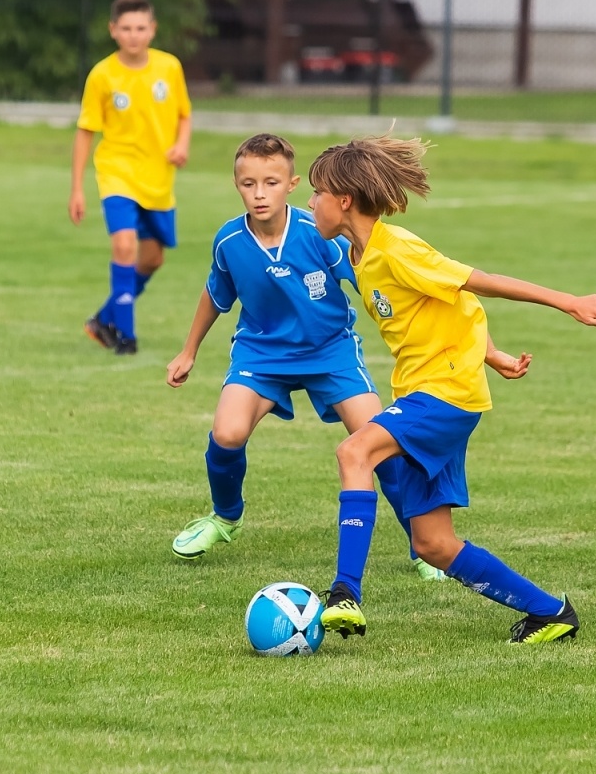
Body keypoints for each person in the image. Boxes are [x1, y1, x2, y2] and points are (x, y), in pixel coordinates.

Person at [308, 135, 596, 643]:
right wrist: (493, 353)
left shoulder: (398, 249)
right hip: (434, 392)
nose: (310, 202)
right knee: (433, 544)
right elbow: (457, 308)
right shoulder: (358, 256)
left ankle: (345, 592)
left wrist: (568, 301)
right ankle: (551, 612)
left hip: (444, 394)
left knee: (354, 451)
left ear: (343, 200)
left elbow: (480, 282)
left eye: (316, 192)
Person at [165, 133, 458, 581]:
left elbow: (372, 281)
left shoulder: (318, 233)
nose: (259, 193)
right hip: (262, 354)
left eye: (270, 182)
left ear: (291, 184)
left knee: (382, 447)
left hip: (331, 352)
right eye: (248, 184)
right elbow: (215, 294)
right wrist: (189, 351)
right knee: (226, 433)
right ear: (236, 184)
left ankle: (422, 547)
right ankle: (225, 518)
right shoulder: (228, 241)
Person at [70, 0, 193, 356]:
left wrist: (181, 145)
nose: (134, 35)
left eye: (141, 28)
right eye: (126, 28)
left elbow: (185, 113)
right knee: (124, 245)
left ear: (152, 30)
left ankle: (103, 319)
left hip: (157, 179)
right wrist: (76, 188)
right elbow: (85, 131)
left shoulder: (169, 67)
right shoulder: (103, 75)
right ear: (113, 30)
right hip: (116, 171)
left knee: (153, 259)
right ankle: (125, 336)